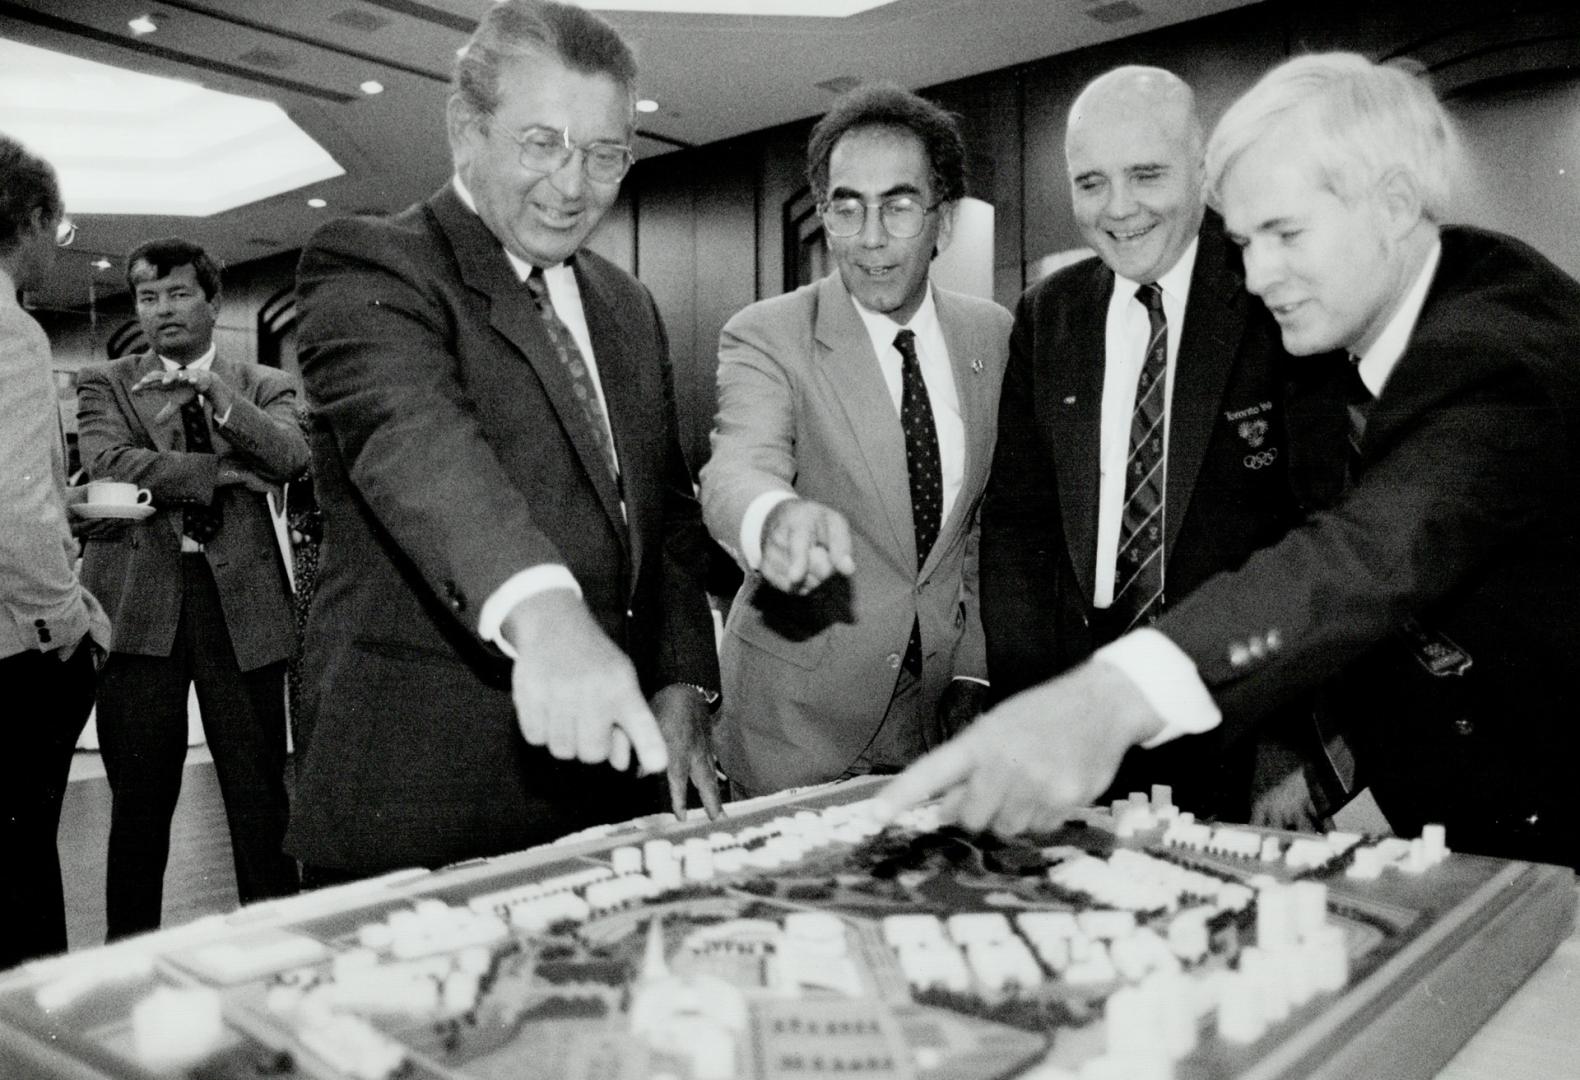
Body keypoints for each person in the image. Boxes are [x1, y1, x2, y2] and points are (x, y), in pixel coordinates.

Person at [882, 52, 1580, 869]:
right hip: (1468, 803)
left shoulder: (1499, 347)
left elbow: (1361, 555)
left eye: (1286, 234)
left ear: (1394, 205)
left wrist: (1111, 698)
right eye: (1245, 242)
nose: (1257, 275)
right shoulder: (1360, 324)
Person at [286, 0, 720, 882]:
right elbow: (422, 450)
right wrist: (550, 621)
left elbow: (662, 512)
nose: (573, 184)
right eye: (541, 143)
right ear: (466, 129)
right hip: (418, 798)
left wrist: (681, 683)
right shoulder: (373, 263)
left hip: (607, 788)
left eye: (604, 154)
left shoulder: (628, 308)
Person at [980, 66, 1326, 823]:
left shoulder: (1277, 296)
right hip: (1084, 720)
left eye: (1146, 175)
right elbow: (1017, 531)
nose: (1119, 208)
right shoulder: (1048, 315)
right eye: (1091, 182)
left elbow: (1322, 532)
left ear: (1201, 172)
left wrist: (1295, 742)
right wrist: (1036, 711)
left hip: (1238, 719)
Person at [699, 84, 1012, 797]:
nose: (871, 236)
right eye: (847, 207)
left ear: (945, 221)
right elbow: (738, 466)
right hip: (792, 726)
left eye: (899, 206)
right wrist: (772, 519)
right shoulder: (768, 334)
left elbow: (987, 528)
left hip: (938, 718)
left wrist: (972, 666)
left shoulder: (993, 336)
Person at [76, 237, 303, 937]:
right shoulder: (106, 383)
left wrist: (217, 399)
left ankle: (279, 956)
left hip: (243, 609)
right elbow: (107, 460)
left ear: (212, 298)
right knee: (139, 808)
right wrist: (227, 473)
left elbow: (292, 455)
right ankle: (127, 963)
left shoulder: (261, 382)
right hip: (139, 603)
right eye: (148, 297)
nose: (163, 310)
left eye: (178, 294)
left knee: (261, 803)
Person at [0, 135, 111, 967]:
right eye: (59, 226)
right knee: (20, 879)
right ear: (32, 217)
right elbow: (15, 511)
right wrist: (67, 622)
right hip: (13, 652)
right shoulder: (13, 333)